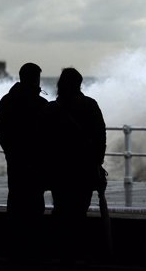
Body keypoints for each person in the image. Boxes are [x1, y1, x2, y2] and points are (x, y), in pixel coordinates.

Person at [46, 67, 106, 261]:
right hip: (84, 169)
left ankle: (60, 252)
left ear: (60, 84)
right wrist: (97, 162)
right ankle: (77, 252)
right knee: (80, 211)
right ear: (80, 84)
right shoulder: (90, 105)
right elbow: (100, 137)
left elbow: (44, 140)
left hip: (60, 171)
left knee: (61, 209)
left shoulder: (53, 109)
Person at [0, 62, 49, 258]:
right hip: (36, 162)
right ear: (36, 79)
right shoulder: (41, 105)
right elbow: (49, 136)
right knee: (35, 203)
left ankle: (15, 246)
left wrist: (10, 151)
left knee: (16, 199)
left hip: (15, 160)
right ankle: (33, 247)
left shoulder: (7, 101)